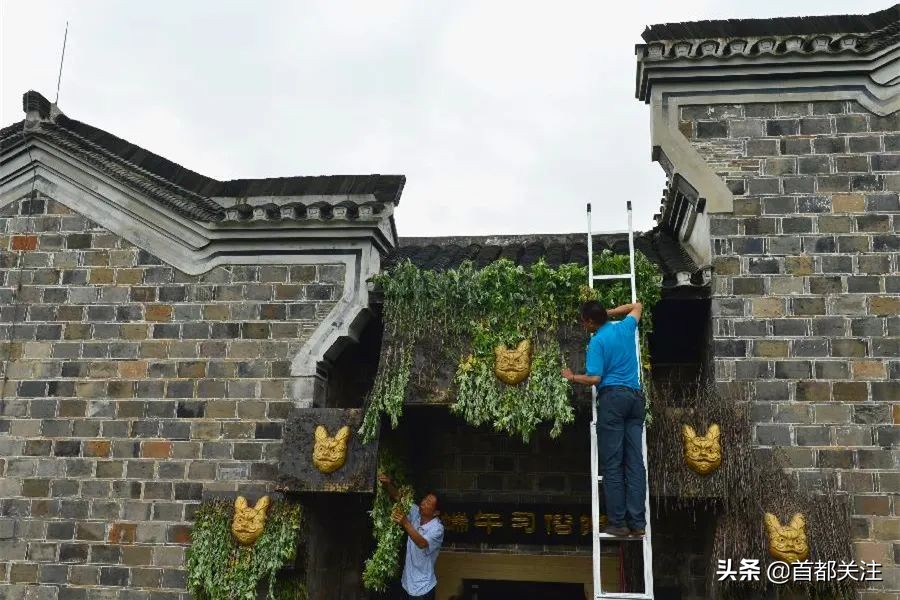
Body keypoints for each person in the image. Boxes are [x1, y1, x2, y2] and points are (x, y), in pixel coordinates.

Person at [561, 300, 646, 538]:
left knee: (613, 464)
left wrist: (572, 376)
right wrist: (605, 314)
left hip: (613, 401)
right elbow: (637, 306)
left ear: (589, 321)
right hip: (635, 399)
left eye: (585, 320)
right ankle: (638, 523)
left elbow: (596, 378)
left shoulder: (597, 341)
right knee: (635, 464)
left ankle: (618, 522)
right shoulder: (624, 327)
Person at [378, 473, 444, 599]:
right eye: (425, 499)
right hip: (407, 583)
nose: (423, 502)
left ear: (436, 512)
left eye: (428, 502)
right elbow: (398, 497)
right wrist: (387, 485)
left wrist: (405, 523)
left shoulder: (437, 528)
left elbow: (422, 543)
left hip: (423, 588)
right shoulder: (416, 513)